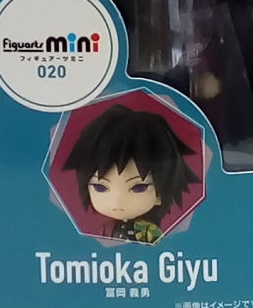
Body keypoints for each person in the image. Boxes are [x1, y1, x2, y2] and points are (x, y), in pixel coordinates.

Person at [62, 103, 199, 243]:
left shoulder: (148, 231)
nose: (117, 201)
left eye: (139, 187)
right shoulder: (103, 230)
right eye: (100, 187)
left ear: (161, 193)